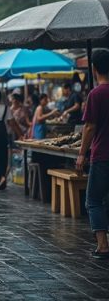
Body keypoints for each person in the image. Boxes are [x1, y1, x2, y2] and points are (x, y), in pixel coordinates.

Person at [77, 48, 109, 259]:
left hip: (102, 155)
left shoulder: (96, 94)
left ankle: (103, 246)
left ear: (94, 68)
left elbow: (89, 127)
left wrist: (81, 154)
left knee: (94, 200)